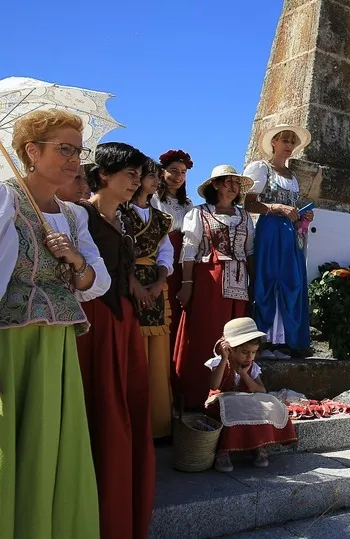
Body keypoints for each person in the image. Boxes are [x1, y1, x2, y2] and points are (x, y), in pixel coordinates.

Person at [0, 109, 105, 538]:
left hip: (58, 342)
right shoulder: (6, 200)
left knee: (53, 441)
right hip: (14, 344)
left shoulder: (74, 216)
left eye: (78, 151)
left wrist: (75, 259)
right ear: (31, 151)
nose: (74, 160)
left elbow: (95, 283)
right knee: (15, 441)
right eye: (64, 149)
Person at [77, 142, 156, 538]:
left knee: (127, 401)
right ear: (104, 175)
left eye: (139, 175)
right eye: (129, 174)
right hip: (96, 320)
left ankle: (126, 491)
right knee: (103, 404)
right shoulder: (80, 215)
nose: (136, 181)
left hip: (122, 320)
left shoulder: (121, 218)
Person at [174, 165, 256, 410]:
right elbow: (189, 250)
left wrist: (254, 283)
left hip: (239, 283)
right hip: (209, 281)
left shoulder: (244, 216)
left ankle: (231, 393)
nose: (233, 187)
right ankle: (198, 395)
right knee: (207, 333)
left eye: (236, 183)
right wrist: (187, 284)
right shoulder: (199, 214)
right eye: (228, 182)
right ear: (216, 185)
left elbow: (249, 251)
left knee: (237, 336)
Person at [242, 125, 314, 358]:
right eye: (285, 140)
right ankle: (265, 341)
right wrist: (277, 207)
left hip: (290, 234)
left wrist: (302, 215)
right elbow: (249, 203)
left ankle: (286, 341)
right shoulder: (262, 169)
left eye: (292, 142)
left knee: (291, 281)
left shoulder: (292, 177)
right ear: (273, 142)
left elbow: (291, 209)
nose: (289, 145)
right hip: (271, 231)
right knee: (270, 279)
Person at [123, 157, 175, 439]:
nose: (156, 181)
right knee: (133, 353)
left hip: (155, 285)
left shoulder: (161, 218)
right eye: (150, 175)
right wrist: (133, 282)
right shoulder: (120, 212)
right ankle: (132, 426)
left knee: (157, 357)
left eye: (157, 176)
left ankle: (158, 425)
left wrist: (161, 281)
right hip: (127, 285)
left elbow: (166, 252)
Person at [206, 317, 298, 472]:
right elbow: (214, 385)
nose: (249, 357)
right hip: (221, 404)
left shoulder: (252, 367)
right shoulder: (219, 362)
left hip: (245, 404)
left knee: (269, 402)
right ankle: (223, 451)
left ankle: (259, 445)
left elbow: (261, 390)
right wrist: (223, 359)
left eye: (253, 352)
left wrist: (244, 375)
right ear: (231, 349)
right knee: (232, 405)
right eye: (244, 352)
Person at [152, 149, 194, 359]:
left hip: (182, 256)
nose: (178, 176)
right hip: (160, 252)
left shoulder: (188, 204)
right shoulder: (153, 199)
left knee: (179, 306)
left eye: (183, 172)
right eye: (174, 171)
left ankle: (176, 359)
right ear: (162, 172)